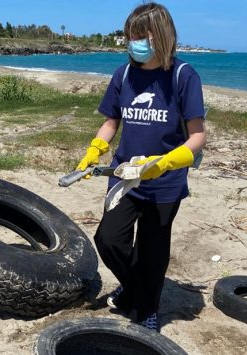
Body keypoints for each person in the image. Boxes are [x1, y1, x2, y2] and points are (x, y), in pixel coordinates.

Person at [76, 2, 206, 332]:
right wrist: (95, 149)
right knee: (109, 239)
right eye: (130, 36)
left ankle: (148, 307)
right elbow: (111, 122)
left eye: (140, 36)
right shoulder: (123, 74)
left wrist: (164, 164)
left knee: (152, 249)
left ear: (160, 36)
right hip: (125, 177)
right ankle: (135, 289)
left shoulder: (183, 76)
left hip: (165, 183)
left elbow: (197, 137)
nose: (134, 43)